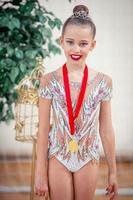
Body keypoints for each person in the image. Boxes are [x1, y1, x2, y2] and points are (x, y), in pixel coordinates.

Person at [34, 4, 118, 200]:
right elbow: (44, 128)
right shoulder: (49, 80)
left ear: (92, 45)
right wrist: (40, 172)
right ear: (61, 41)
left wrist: (113, 171)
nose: (76, 49)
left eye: (83, 44)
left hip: (87, 156)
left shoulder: (103, 82)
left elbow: (105, 128)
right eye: (70, 42)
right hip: (58, 156)